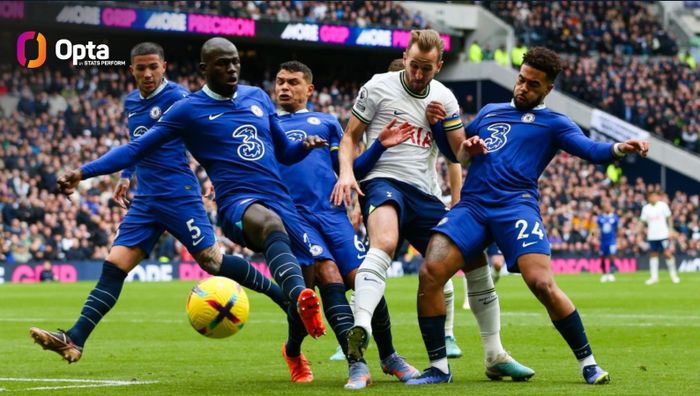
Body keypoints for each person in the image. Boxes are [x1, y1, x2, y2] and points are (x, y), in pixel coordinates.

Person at [53, 38, 333, 357]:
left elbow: (276, 148)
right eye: (140, 68)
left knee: (213, 260)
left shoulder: (189, 98)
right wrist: (105, 174)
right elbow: (137, 145)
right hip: (147, 198)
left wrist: (302, 146)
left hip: (178, 194)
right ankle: (74, 339)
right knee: (114, 265)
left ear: (164, 68)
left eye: (235, 62)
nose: (231, 68)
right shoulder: (143, 104)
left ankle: (287, 299)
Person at [413, 46, 649, 385]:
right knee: (431, 271)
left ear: (548, 89)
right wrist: (442, 129)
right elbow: (458, 151)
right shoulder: (491, 111)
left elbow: (590, 150)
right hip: (474, 205)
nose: (523, 88)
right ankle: (438, 368)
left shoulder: (554, 124)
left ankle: (589, 363)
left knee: (541, 283)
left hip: (516, 207)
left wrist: (620, 148)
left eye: (533, 84)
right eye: (522, 80)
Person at [331, 29, 531, 380]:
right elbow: (349, 137)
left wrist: (470, 148)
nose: (418, 74)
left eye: (427, 68)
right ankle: (359, 329)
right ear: (405, 57)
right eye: (413, 65)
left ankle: (495, 354)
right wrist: (346, 173)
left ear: (439, 66)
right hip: (384, 182)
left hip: (425, 194)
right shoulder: (377, 85)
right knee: (385, 243)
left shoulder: (445, 98)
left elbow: (458, 154)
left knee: (473, 258)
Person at [274, 60, 420, 388]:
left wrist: (380, 143)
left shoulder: (326, 123)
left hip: (333, 213)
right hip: (296, 217)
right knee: (328, 274)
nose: (284, 87)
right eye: (280, 82)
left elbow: (351, 169)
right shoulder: (268, 125)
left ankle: (389, 356)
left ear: (309, 89)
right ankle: (357, 364)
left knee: (362, 279)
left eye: (293, 82)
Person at [383, 57, 464, 358]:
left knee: (440, 265)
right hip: (388, 198)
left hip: (426, 196)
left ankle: (449, 334)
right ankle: (358, 332)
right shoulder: (380, 113)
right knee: (372, 261)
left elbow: (453, 158)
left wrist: (456, 199)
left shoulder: (431, 110)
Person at [640, 191, 680, 284]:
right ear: (648, 198)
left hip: (663, 235)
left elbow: (669, 218)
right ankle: (654, 277)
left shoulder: (663, 206)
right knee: (653, 254)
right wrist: (640, 232)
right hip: (652, 236)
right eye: (651, 196)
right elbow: (642, 221)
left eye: (655, 196)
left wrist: (670, 230)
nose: (654, 198)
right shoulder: (646, 208)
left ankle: (674, 276)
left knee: (667, 253)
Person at [462, 243, 504, 310]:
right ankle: (468, 299)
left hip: (494, 236)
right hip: (479, 233)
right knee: (470, 264)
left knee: (497, 264)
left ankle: (488, 291)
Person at [595, 200, 619, 282]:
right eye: (605, 206)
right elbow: (595, 229)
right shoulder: (600, 218)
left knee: (612, 255)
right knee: (602, 257)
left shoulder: (615, 217)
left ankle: (611, 273)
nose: (607, 208)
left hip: (612, 240)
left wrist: (620, 240)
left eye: (608, 206)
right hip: (603, 241)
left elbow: (619, 229)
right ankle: (604, 274)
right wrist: (594, 237)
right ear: (603, 208)